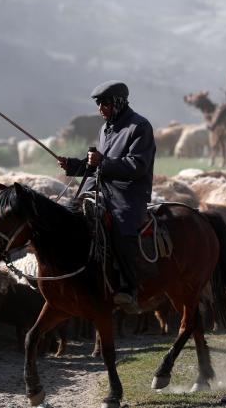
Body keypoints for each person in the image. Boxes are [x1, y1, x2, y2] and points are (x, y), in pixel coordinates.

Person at [57, 80, 156, 306]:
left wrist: (102, 162)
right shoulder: (105, 128)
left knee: (121, 225)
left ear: (118, 103)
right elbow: (96, 165)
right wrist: (73, 165)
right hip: (100, 188)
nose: (100, 109)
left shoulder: (140, 127)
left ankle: (130, 286)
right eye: (98, 104)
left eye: (105, 104)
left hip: (127, 192)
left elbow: (137, 166)